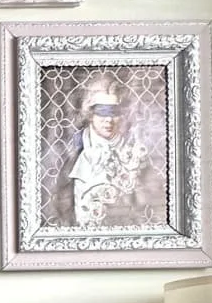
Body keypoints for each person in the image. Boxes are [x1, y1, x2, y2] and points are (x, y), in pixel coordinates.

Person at [62, 79, 157, 227]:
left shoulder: (133, 150)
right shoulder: (72, 148)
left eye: (114, 113)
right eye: (102, 112)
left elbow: (145, 204)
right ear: (90, 114)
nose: (108, 120)